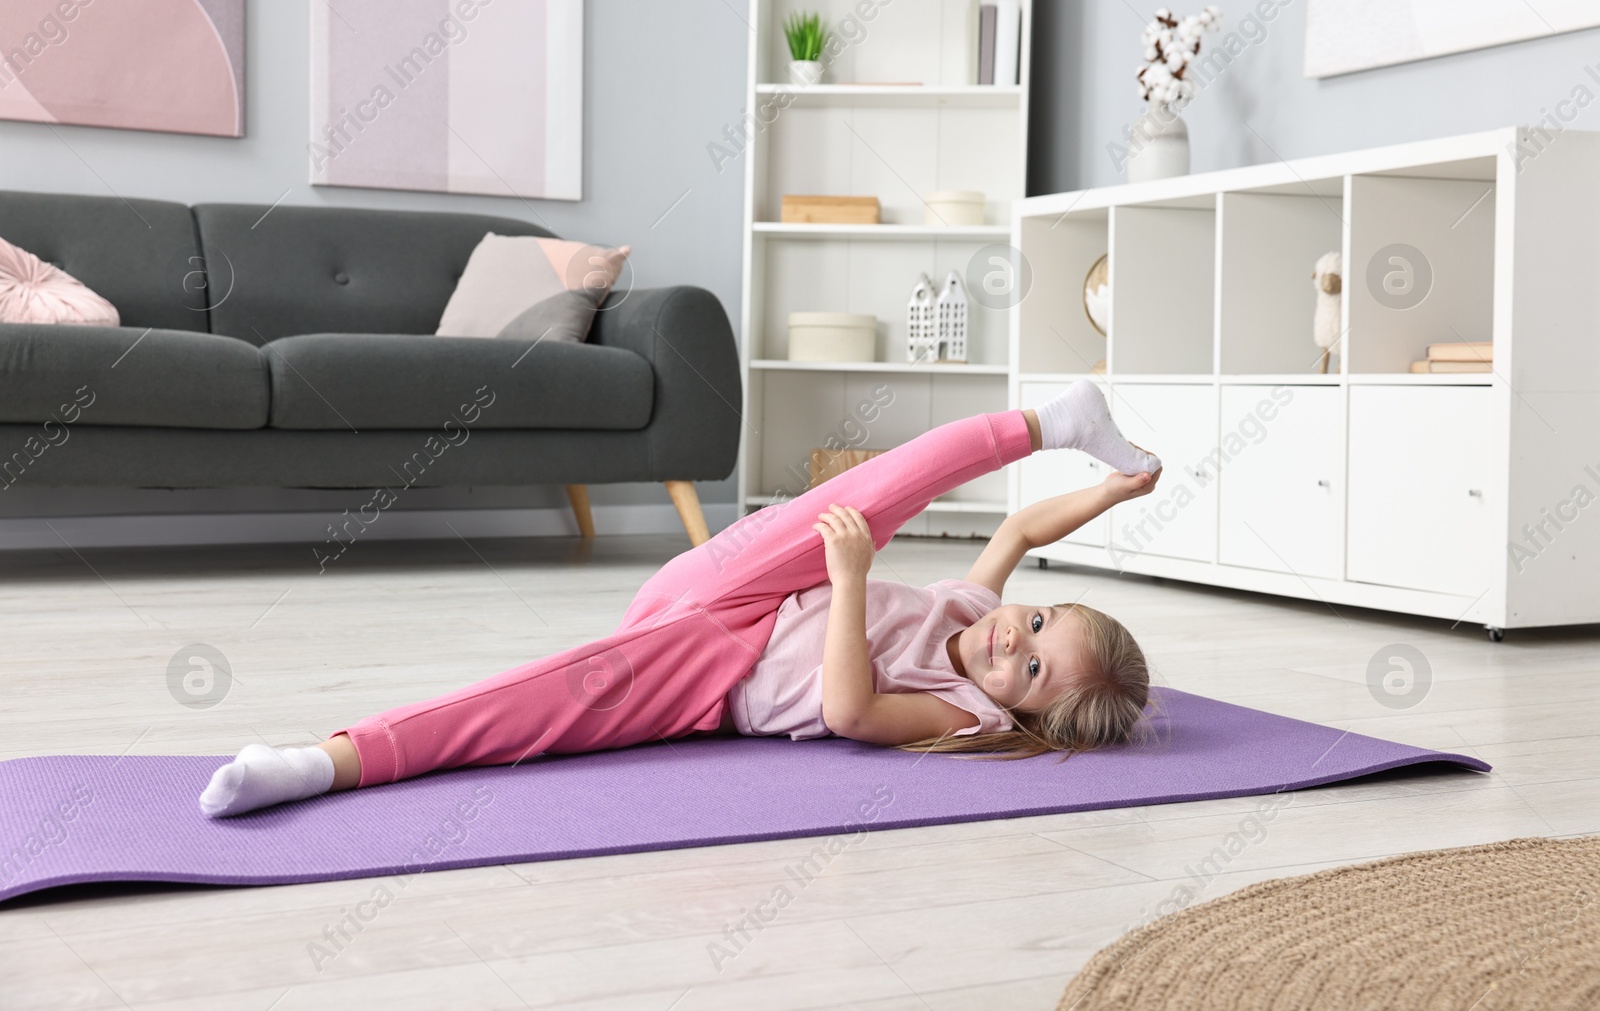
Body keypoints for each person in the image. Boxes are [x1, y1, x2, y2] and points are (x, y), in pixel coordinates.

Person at [199, 381, 1162, 818]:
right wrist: (1112, 482)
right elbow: (1017, 536)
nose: (1012, 639)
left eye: (1031, 668)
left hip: (717, 672)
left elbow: (850, 710)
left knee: (528, 703)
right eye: (1038, 620)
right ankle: (1052, 418)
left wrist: (854, 578)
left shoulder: (966, 711)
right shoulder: (969, 616)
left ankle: (325, 762)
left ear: (1029, 716)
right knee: (861, 497)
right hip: (739, 585)